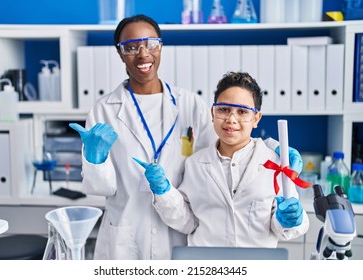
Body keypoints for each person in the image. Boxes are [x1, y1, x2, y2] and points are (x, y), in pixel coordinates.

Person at [69, 15, 303, 259]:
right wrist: (95, 160)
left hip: (177, 233)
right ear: (120, 53)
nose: (142, 53)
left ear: (160, 46)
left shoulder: (189, 103)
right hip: (126, 236)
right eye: (131, 46)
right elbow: (100, 187)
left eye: (150, 43)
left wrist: (273, 149)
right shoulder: (104, 110)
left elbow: (222, 145)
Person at [135, 71, 309, 248]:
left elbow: (285, 226)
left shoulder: (274, 163)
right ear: (213, 112)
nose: (231, 119)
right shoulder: (195, 164)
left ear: (256, 118)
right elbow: (188, 222)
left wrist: (288, 220)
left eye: (242, 112)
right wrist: (164, 192)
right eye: (224, 110)